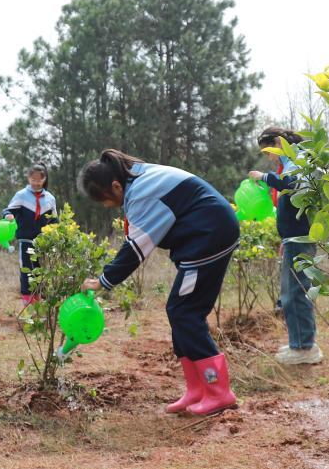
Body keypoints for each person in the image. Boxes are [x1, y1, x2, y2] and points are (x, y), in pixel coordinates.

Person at [79, 149, 239, 416]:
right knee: (179, 311)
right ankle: (196, 389)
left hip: (209, 237)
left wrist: (104, 281)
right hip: (205, 238)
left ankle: (218, 391)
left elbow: (136, 247)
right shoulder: (139, 180)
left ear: (115, 186)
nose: (108, 206)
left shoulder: (142, 190)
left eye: (106, 200)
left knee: (185, 312)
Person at [249, 126, 321, 365]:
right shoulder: (292, 161)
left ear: (279, 142)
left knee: (295, 293)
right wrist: (284, 238)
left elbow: (291, 185)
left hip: (301, 239)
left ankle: (303, 348)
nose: (269, 157)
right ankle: (302, 344)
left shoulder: (298, 160)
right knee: (293, 292)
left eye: (269, 151)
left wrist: (264, 177)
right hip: (294, 238)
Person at [2, 164, 57, 304]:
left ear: (44, 179)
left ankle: (41, 301)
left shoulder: (50, 198)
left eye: (39, 180)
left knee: (42, 271)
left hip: (44, 243)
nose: (36, 183)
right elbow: (8, 210)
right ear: (28, 178)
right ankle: (28, 301)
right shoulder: (21, 195)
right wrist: (8, 215)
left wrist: (55, 236)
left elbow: (54, 220)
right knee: (26, 271)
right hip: (26, 240)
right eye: (33, 180)